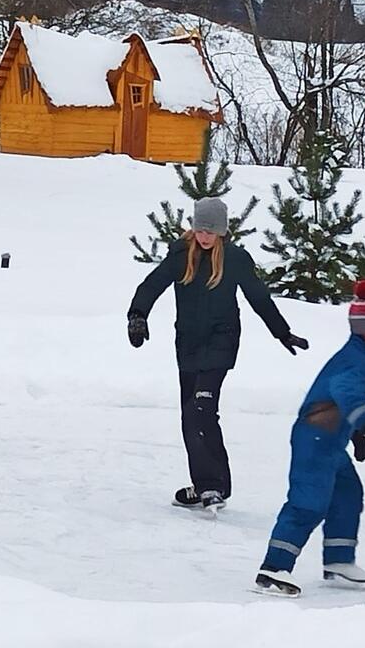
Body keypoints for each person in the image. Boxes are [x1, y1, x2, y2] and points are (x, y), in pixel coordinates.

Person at [129, 197, 308, 512]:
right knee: (190, 416)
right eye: (200, 229)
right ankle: (204, 486)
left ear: (222, 231)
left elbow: (259, 297)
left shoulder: (236, 259)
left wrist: (281, 331)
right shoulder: (181, 256)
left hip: (221, 343)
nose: (205, 236)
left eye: (211, 231)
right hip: (188, 344)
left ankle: (214, 486)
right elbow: (151, 285)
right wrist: (138, 315)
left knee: (201, 408)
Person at [253, 280, 365, 598]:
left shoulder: (355, 356)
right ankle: (273, 569)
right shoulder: (355, 361)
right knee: (309, 503)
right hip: (315, 440)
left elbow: (341, 399)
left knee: (347, 494)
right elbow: (348, 395)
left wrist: (356, 433)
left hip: (330, 441)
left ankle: (339, 560)